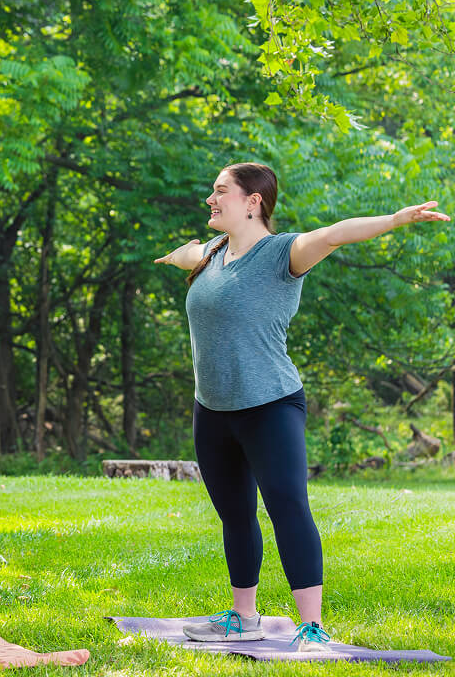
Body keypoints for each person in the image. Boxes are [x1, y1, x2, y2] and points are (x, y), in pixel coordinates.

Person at [155, 162, 449, 651]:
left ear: (253, 202)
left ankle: (310, 626)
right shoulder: (211, 252)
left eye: (220, 191)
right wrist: (175, 258)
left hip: (270, 405)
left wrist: (396, 220)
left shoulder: (282, 253)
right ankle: (242, 617)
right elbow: (189, 255)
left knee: (288, 506)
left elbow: (335, 233)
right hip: (212, 408)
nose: (210, 199)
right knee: (234, 514)